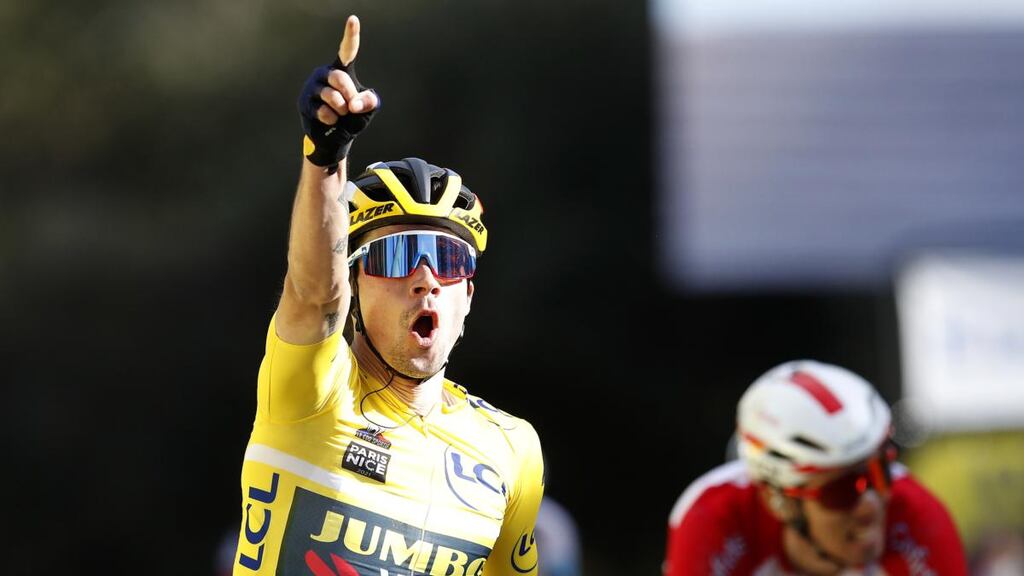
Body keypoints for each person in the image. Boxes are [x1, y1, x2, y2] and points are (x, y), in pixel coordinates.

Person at [232, 16, 544, 576]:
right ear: (355, 284)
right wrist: (326, 157)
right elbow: (314, 294)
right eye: (397, 256)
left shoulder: (512, 449)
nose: (426, 280)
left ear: (468, 296)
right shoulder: (312, 392)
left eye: (448, 259)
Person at [664, 360, 967, 575]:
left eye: (881, 472)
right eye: (842, 492)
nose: (871, 505)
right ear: (778, 500)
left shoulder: (916, 513)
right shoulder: (715, 517)